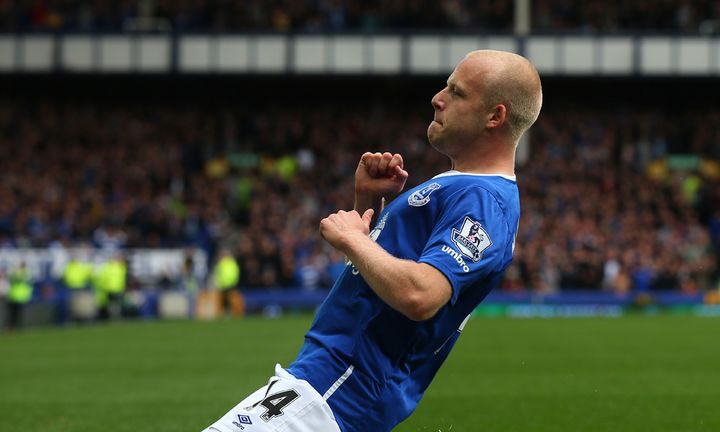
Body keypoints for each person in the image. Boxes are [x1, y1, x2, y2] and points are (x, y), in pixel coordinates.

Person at [202, 50, 542, 432]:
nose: (437, 97)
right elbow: (381, 285)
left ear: (495, 117)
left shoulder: (482, 201)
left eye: (457, 92)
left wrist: (351, 239)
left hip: (337, 392)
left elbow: (422, 295)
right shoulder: (464, 188)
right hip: (329, 385)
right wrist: (368, 206)